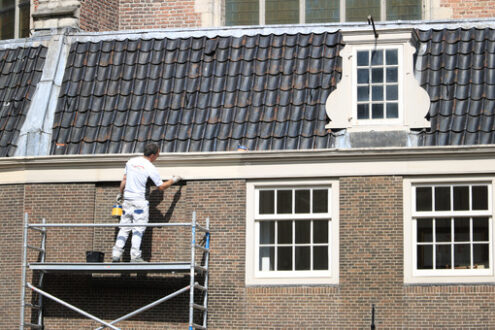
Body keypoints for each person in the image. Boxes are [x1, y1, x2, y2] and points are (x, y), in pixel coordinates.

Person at [112, 143, 181, 263]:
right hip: (140, 202)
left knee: (124, 228)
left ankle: (116, 255)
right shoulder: (150, 167)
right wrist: (174, 180)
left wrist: (121, 194)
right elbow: (161, 187)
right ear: (153, 155)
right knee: (138, 229)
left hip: (127, 201)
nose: (157, 158)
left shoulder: (131, 162)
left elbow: (124, 180)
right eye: (158, 155)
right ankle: (135, 256)